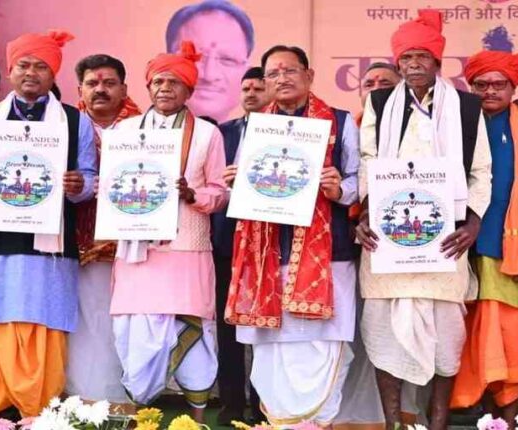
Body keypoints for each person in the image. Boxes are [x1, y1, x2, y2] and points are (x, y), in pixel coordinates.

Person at [355, 10, 492, 429]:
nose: (414, 64)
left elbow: (481, 171)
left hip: (445, 242)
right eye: (407, 58)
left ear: (437, 62)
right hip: (387, 242)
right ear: (398, 63)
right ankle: (393, 423)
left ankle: (438, 424)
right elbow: (367, 163)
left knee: (446, 341)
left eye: (422, 57)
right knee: (383, 335)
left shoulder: (466, 107)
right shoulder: (380, 103)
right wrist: (365, 212)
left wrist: (472, 224)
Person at [0, 30, 97, 419]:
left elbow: (89, 179)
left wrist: (79, 185)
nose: (31, 72)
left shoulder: (75, 122)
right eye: (23, 65)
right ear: (10, 71)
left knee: (44, 324)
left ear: (54, 74)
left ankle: (41, 413)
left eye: (41, 66)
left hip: (50, 245)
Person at [224, 45, 360, 426]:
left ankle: (318, 423)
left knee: (322, 345)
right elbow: (249, 184)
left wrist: (340, 189)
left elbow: (358, 181)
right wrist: (235, 182)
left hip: (328, 255)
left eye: (289, 70)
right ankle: (281, 423)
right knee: (272, 353)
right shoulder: (255, 126)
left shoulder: (339, 121)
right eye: (273, 73)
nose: (281, 79)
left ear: (309, 75)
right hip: (266, 254)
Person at [109, 40, 227, 423]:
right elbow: (112, 185)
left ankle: (195, 420)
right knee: (135, 333)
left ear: (188, 90)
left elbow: (221, 193)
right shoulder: (124, 131)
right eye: (158, 81)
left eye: (174, 82)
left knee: (193, 333)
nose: (165, 88)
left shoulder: (207, 134)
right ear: (148, 87)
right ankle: (142, 417)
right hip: (137, 253)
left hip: (187, 250)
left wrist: (193, 194)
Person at [451, 50, 518, 427]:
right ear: (470, 86)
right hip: (459, 249)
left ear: (513, 88)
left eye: (499, 84)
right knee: (468, 336)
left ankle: (508, 421)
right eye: (481, 84)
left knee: (510, 339)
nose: (490, 91)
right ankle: (485, 418)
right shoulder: (457, 123)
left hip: (511, 251)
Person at [66, 53, 142, 416]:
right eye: (92, 84)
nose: (100, 90)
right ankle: (85, 398)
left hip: (135, 244)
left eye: (109, 83)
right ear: (79, 89)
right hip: (78, 242)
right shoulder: (65, 128)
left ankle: (129, 396)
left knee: (127, 321)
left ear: (124, 89)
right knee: (86, 317)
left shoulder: (146, 129)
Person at [213, 66, 271, 425]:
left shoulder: (289, 133)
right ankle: (231, 403)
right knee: (228, 326)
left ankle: (264, 405)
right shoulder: (223, 133)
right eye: (246, 88)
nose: (250, 94)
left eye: (258, 88)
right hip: (227, 239)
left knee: (267, 326)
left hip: (269, 243)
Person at [166, 0, 255, 123]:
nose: (209, 75)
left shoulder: (267, 134)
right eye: (195, 56)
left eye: (227, 59)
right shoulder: (139, 133)